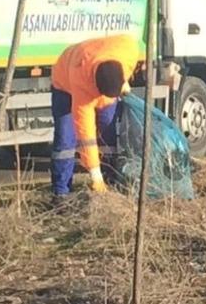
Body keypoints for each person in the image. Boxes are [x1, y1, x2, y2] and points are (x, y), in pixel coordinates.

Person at [51, 34, 140, 198]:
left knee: (109, 130)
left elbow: (133, 55)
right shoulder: (81, 81)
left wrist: (125, 80)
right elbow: (86, 135)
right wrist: (94, 173)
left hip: (104, 72)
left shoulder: (128, 49)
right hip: (65, 85)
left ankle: (111, 180)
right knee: (66, 139)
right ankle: (61, 194)